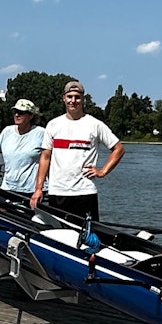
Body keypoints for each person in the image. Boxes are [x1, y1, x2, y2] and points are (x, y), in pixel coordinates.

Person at [32, 80, 124, 221]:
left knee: (88, 238)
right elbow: (45, 157)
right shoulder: (53, 125)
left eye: (77, 97)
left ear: (83, 99)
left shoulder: (95, 125)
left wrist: (103, 171)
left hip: (85, 192)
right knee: (58, 236)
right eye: (69, 97)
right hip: (57, 192)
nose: (73, 101)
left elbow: (118, 149)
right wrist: (38, 189)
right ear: (64, 98)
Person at [0, 98, 44, 198]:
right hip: (7, 188)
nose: (17, 115)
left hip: (31, 191)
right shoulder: (7, 131)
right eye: (15, 112)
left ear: (31, 116)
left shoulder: (41, 133)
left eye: (21, 112)